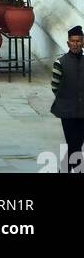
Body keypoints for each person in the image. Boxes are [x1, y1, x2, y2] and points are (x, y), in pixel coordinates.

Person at [50, 24, 84, 174]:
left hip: (83, 112)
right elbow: (55, 86)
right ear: (68, 43)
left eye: (78, 41)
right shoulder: (60, 63)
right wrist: (66, 99)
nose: (75, 44)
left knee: (76, 145)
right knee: (73, 144)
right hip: (67, 112)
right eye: (73, 41)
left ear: (83, 43)